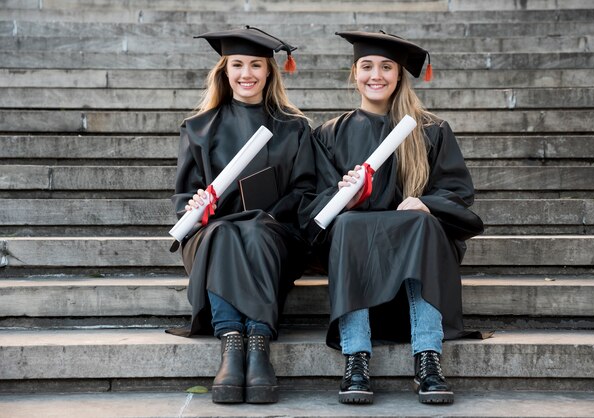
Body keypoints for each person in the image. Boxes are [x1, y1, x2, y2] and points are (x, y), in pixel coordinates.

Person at [300, 31, 484, 405]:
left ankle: (427, 357)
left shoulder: (430, 130)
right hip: (358, 256)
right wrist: (342, 198)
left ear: (400, 75)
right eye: (367, 66)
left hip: (415, 256)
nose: (376, 75)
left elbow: (458, 193)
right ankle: (356, 357)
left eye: (387, 67)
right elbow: (309, 207)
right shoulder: (329, 135)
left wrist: (428, 204)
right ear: (354, 73)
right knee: (350, 224)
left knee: (421, 221)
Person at [170, 26, 315, 404]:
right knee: (224, 233)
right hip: (211, 236)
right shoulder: (199, 129)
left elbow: (305, 192)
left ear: (269, 72)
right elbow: (184, 195)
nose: (246, 73)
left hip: (273, 234)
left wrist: (263, 212)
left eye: (255, 64)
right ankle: (235, 344)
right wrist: (195, 205)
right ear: (224, 70)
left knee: (252, 230)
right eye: (237, 64)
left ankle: (256, 341)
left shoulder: (293, 128)